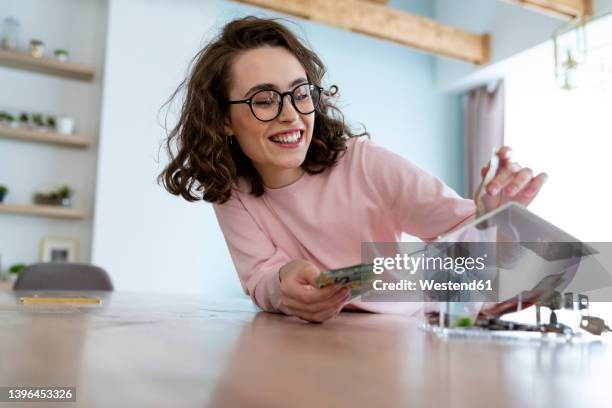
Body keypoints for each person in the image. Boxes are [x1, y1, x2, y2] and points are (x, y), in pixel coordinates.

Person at [159, 16, 547, 323]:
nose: (291, 115)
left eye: (300, 93)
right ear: (223, 118)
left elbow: (468, 240)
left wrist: (493, 218)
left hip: (406, 336)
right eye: (264, 100)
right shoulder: (232, 188)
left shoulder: (365, 164)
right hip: (315, 347)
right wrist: (283, 287)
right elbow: (260, 277)